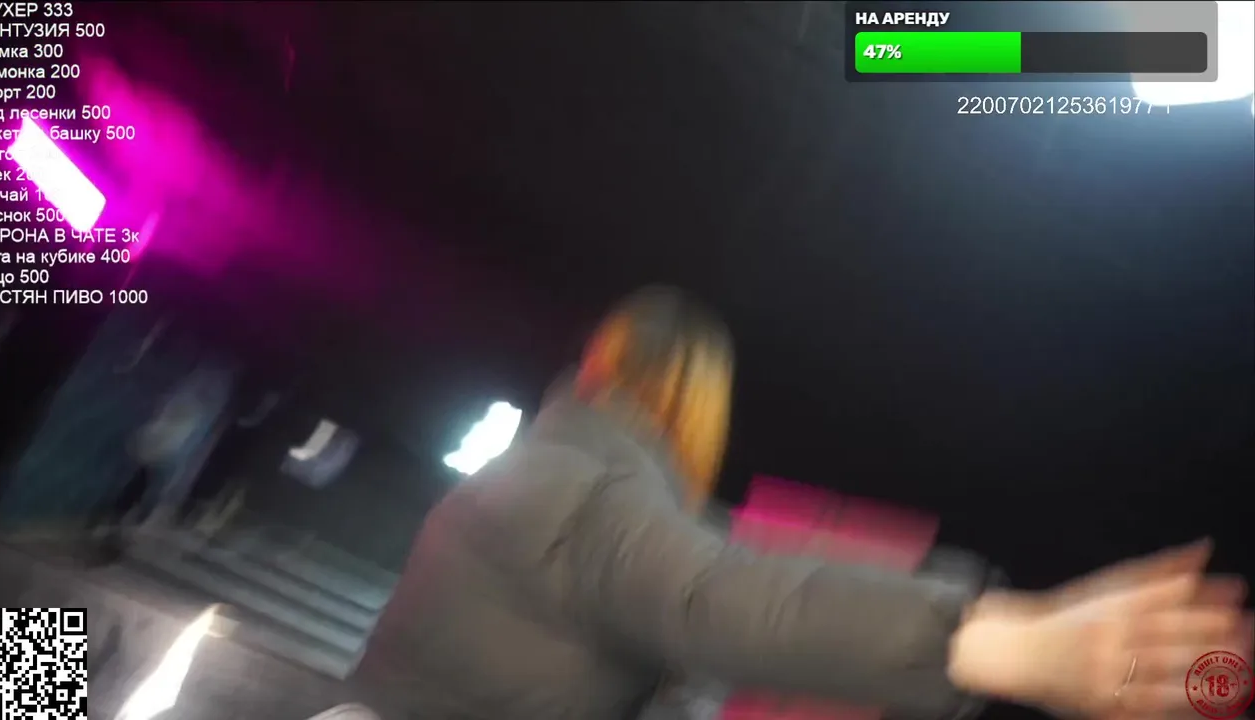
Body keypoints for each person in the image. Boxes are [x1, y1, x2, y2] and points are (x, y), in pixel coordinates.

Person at [353, 285, 1249, 720]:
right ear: (698, 403)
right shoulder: (577, 485)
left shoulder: (564, 475)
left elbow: (748, 568)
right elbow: (713, 596)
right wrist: (996, 643)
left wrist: (1018, 610)